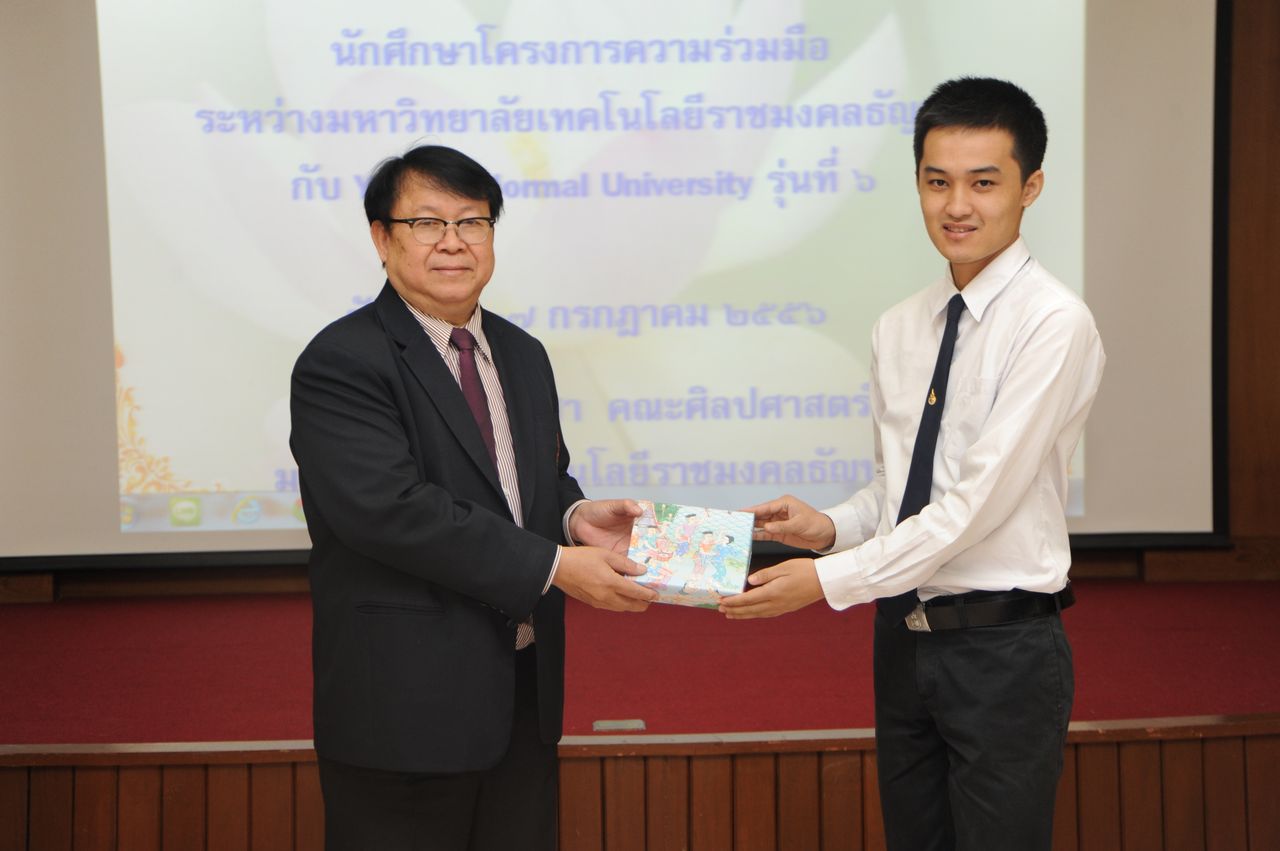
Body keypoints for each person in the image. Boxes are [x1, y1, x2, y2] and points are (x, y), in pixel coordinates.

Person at [720, 77, 1106, 850]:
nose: (956, 205)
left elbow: (971, 509)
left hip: (1001, 651)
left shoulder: (1054, 323)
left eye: (983, 182)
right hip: (903, 638)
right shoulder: (901, 325)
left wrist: (826, 581)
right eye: (937, 182)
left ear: (1030, 187)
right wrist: (829, 528)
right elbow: (898, 493)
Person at [289, 144, 657, 851]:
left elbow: (531, 483)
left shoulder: (522, 352)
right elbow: (390, 510)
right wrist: (554, 565)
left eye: (473, 222)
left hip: (521, 694)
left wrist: (575, 517)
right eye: (427, 222)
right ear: (382, 239)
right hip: (404, 707)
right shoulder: (342, 360)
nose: (453, 241)